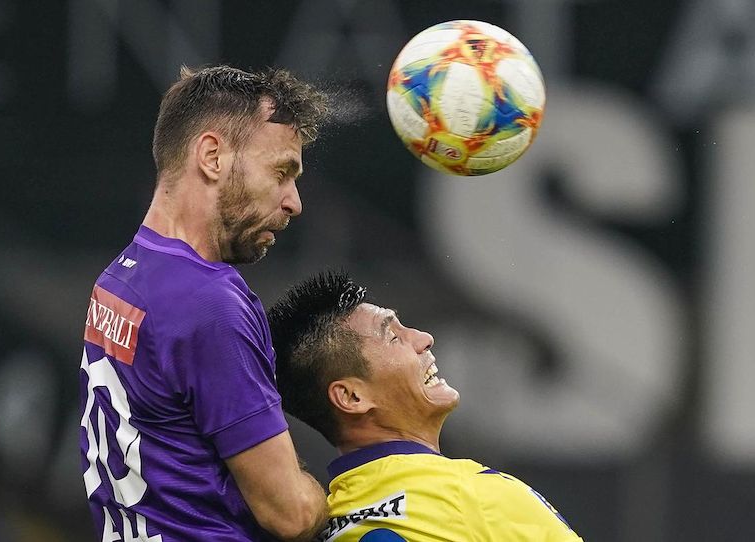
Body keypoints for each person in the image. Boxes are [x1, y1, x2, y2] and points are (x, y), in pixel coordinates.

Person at [78, 65, 330, 541]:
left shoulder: (120, 278)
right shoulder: (208, 304)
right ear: (212, 156)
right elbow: (291, 514)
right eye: (281, 172)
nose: (294, 202)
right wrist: (340, 496)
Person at [268, 271, 585, 542]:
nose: (423, 338)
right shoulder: (479, 498)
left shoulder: (324, 525)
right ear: (352, 397)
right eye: (393, 337)